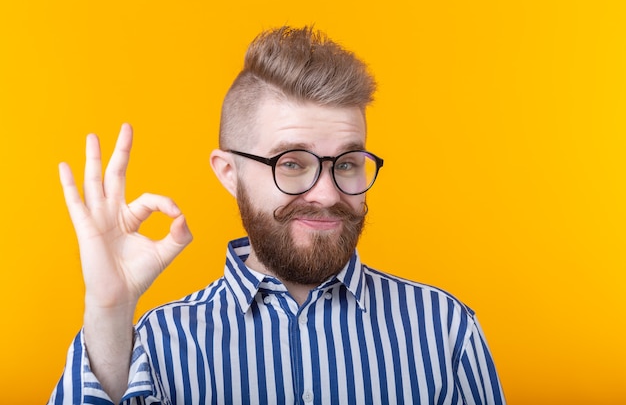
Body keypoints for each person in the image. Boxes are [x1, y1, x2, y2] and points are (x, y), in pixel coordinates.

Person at [49, 26, 506, 405]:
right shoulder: (158, 344)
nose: (326, 194)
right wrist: (107, 312)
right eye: (291, 163)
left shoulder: (445, 330)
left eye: (347, 164)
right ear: (229, 172)